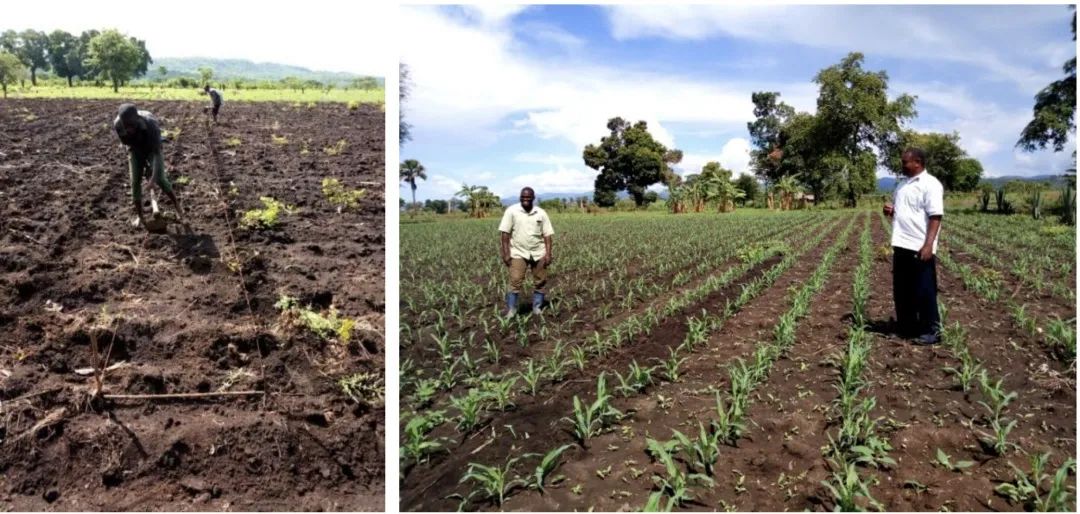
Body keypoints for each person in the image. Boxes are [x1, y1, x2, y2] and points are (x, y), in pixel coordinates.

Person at [883, 147, 944, 345]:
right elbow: (906, 211)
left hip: (919, 246)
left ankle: (931, 331)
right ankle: (906, 327)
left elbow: (935, 216)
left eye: (905, 162)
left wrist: (929, 245)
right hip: (901, 243)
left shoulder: (930, 184)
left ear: (917, 162)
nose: (902, 165)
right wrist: (892, 211)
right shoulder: (902, 185)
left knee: (924, 290)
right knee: (902, 290)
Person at [114, 103, 184, 228]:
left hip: (152, 149)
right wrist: (142, 164)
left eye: (131, 125)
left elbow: (157, 154)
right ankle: (140, 217)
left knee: (160, 179)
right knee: (135, 182)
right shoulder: (118, 125)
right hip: (134, 149)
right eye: (126, 126)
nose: (128, 129)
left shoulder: (150, 124)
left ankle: (179, 209)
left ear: (138, 119)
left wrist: (152, 179)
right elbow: (128, 144)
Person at [498, 187, 554, 317]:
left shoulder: (541, 213)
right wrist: (506, 253)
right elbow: (505, 234)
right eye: (523, 197)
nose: (525, 199)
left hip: (538, 252)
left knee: (540, 281)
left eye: (528, 197)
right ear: (520, 197)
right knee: (515, 280)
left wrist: (548, 254)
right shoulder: (511, 211)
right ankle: (512, 310)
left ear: (533, 198)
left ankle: (537, 307)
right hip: (518, 252)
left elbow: (547, 235)